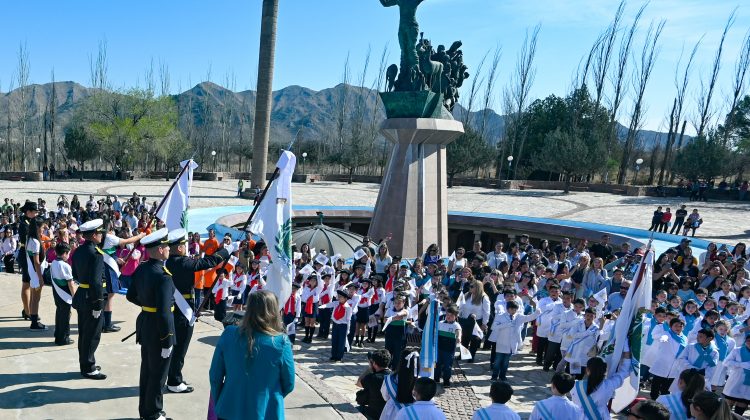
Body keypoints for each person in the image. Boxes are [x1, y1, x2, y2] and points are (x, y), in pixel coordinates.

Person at [209, 290, 295, 420]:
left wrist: (221, 400)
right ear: (274, 312)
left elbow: (215, 376)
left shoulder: (229, 334)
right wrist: (268, 396)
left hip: (229, 408)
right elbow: (289, 383)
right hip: (267, 412)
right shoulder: (281, 342)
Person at [164, 228, 229, 394]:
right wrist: (225, 250)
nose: (186, 247)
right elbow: (207, 262)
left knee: (175, 347)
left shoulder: (170, 261)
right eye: (184, 245)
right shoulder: (182, 262)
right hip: (182, 309)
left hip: (176, 307)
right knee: (180, 348)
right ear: (179, 247)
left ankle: (172, 376)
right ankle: (174, 381)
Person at [126, 228, 175, 420]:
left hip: (146, 324)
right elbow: (164, 312)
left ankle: (145, 411)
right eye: (167, 247)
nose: (169, 250)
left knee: (147, 370)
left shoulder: (142, 268)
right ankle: (154, 412)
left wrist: (147, 305)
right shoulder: (163, 276)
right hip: (159, 329)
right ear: (161, 249)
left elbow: (130, 296)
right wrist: (167, 340)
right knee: (159, 373)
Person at [71, 219, 107, 380]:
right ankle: (89, 367)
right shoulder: (96, 254)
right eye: (100, 233)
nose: (102, 236)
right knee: (92, 334)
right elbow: (96, 283)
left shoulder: (78, 251)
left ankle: (85, 363)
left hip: (82, 295)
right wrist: (98, 304)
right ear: (93, 235)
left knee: (84, 333)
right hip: (92, 297)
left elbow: (76, 275)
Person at [489, 300, 541, 381]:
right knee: (498, 361)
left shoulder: (518, 316)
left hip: (511, 344)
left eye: (515, 309)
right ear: (507, 309)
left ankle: (502, 376)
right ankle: (494, 376)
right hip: (501, 342)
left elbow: (528, 318)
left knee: (506, 362)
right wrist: (506, 324)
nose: (514, 311)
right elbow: (493, 327)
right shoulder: (500, 316)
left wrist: (536, 313)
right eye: (512, 309)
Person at [570, 354, 631, 420]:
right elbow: (623, 372)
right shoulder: (609, 385)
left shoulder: (575, 385)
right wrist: (626, 355)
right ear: (605, 371)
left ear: (587, 370)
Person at [380, 348, 418, 420]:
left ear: (401, 362)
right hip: (412, 414)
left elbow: (385, 396)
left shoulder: (390, 379)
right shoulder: (420, 381)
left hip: (392, 412)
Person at [51, 242, 77, 345]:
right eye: (69, 253)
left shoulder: (53, 262)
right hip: (65, 295)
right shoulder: (65, 266)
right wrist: (74, 296)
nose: (69, 255)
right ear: (65, 253)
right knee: (65, 317)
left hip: (57, 293)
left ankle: (58, 335)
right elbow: (70, 283)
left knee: (59, 314)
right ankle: (64, 338)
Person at [18, 201, 39, 323]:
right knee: (26, 283)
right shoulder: (24, 224)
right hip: (25, 253)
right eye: (34, 212)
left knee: (31, 283)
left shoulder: (30, 222)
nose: (36, 213)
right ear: (28, 212)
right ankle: (27, 311)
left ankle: (29, 309)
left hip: (29, 253)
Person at [356, 349, 392, 419]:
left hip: (373, 414)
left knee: (356, 409)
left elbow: (358, 383)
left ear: (374, 363)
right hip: (388, 414)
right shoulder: (393, 377)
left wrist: (370, 368)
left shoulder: (372, 378)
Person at [25, 216, 46, 330]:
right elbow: (37, 262)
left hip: (32, 273)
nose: (44, 228)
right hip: (36, 273)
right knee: (36, 298)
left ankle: (33, 318)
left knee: (34, 296)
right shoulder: (36, 242)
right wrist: (41, 278)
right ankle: (34, 323)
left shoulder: (30, 239)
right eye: (43, 227)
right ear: (37, 227)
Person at [722, 334, 750, 416]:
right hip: (735, 383)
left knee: (739, 413)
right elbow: (726, 362)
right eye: (748, 340)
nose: (749, 342)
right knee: (726, 409)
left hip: (747, 387)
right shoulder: (737, 350)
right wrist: (742, 364)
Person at [435, 304, 462, 387]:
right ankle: (436, 378)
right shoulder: (440, 323)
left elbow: (458, 331)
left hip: (449, 350)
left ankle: (446, 380)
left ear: (456, 316)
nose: (448, 317)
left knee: (447, 366)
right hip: (439, 348)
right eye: (447, 315)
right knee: (437, 364)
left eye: (451, 315)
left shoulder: (456, 325)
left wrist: (459, 337)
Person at [330, 290, 353, 362]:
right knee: (334, 340)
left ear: (345, 298)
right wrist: (333, 321)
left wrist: (348, 329)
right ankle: (333, 355)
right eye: (338, 296)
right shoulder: (336, 304)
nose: (339, 298)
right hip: (335, 324)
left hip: (343, 325)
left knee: (341, 341)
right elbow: (334, 314)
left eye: (341, 297)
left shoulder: (348, 307)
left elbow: (348, 319)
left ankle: (339, 356)